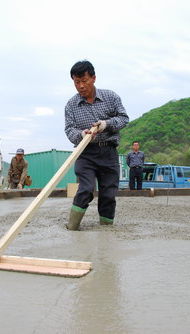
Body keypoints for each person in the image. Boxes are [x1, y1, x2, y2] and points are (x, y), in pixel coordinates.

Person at [64, 60, 129, 230]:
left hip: (108, 151)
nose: (80, 86)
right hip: (85, 153)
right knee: (85, 189)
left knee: (108, 192)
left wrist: (105, 124)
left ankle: (106, 229)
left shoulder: (111, 97)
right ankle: (72, 227)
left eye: (84, 81)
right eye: (76, 82)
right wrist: (81, 134)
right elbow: (69, 130)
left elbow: (124, 119)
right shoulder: (71, 105)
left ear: (93, 78)